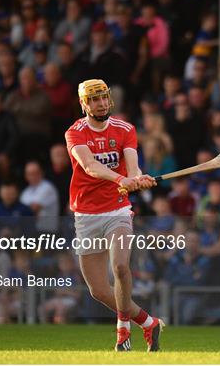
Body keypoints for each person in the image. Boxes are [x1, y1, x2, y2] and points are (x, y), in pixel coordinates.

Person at [64, 79, 162, 351]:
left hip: (117, 209)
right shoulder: (75, 132)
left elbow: (132, 166)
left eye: (104, 98)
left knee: (120, 267)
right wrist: (120, 178)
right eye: (94, 100)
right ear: (84, 104)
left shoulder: (125, 129)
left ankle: (122, 332)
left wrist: (136, 178)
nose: (101, 103)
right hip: (85, 214)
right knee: (98, 290)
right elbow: (89, 165)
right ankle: (148, 322)